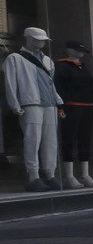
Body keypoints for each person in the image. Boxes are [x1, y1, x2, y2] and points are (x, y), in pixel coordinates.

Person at [4, 27, 63, 191]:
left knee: (50, 141)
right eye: (37, 39)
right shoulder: (15, 58)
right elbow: (10, 84)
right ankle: (33, 176)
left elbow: (51, 84)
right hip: (30, 104)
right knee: (32, 140)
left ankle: (50, 174)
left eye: (43, 40)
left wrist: (58, 101)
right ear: (28, 38)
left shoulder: (48, 61)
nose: (41, 42)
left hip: (49, 104)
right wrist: (14, 104)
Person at [54, 40, 93, 187]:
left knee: (85, 140)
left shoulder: (83, 67)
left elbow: (91, 85)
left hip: (87, 107)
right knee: (69, 139)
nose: (81, 53)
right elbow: (58, 87)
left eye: (82, 51)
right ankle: (69, 175)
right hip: (71, 107)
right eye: (78, 50)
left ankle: (85, 174)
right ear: (69, 50)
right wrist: (61, 105)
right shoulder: (61, 66)